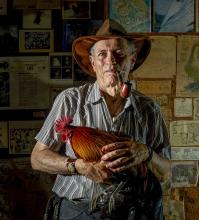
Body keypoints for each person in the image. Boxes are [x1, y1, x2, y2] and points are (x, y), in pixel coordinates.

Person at [31, 19, 171, 220]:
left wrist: (147, 153)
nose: (111, 61)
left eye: (119, 53)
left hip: (133, 212)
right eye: (102, 54)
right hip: (77, 211)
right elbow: (37, 158)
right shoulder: (71, 100)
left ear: (131, 60)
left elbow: (166, 173)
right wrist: (78, 166)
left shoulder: (149, 110)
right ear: (92, 63)